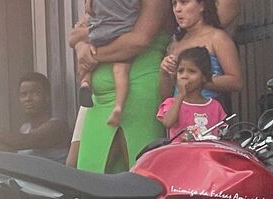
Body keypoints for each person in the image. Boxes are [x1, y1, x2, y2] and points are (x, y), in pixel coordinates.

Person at [68, 0, 171, 172]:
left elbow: (139, 40)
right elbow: (77, 33)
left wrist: (91, 55)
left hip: (138, 88)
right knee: (87, 174)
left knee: (139, 173)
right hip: (98, 97)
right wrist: (80, 48)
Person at [160, 0, 243, 113]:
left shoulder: (217, 38)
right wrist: (164, 73)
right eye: (174, 4)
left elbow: (236, 82)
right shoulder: (175, 45)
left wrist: (200, 81)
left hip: (209, 114)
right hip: (180, 116)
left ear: (202, 5)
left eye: (184, 2)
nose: (177, 9)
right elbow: (166, 97)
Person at [77, 0, 140, 128]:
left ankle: (85, 82)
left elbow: (89, 9)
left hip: (99, 32)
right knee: (120, 70)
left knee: (88, 57)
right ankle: (118, 106)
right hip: (122, 32)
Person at [0, 72, 71, 164]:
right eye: (23, 94)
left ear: (47, 97)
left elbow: (26, 141)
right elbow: (10, 150)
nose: (28, 99)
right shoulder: (25, 129)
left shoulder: (58, 127)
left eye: (34, 93)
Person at [156, 46, 227, 140]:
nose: (184, 76)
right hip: (179, 149)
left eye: (192, 71)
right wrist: (181, 95)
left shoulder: (215, 106)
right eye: (180, 71)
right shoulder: (171, 103)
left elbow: (221, 134)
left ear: (204, 77)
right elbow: (168, 123)